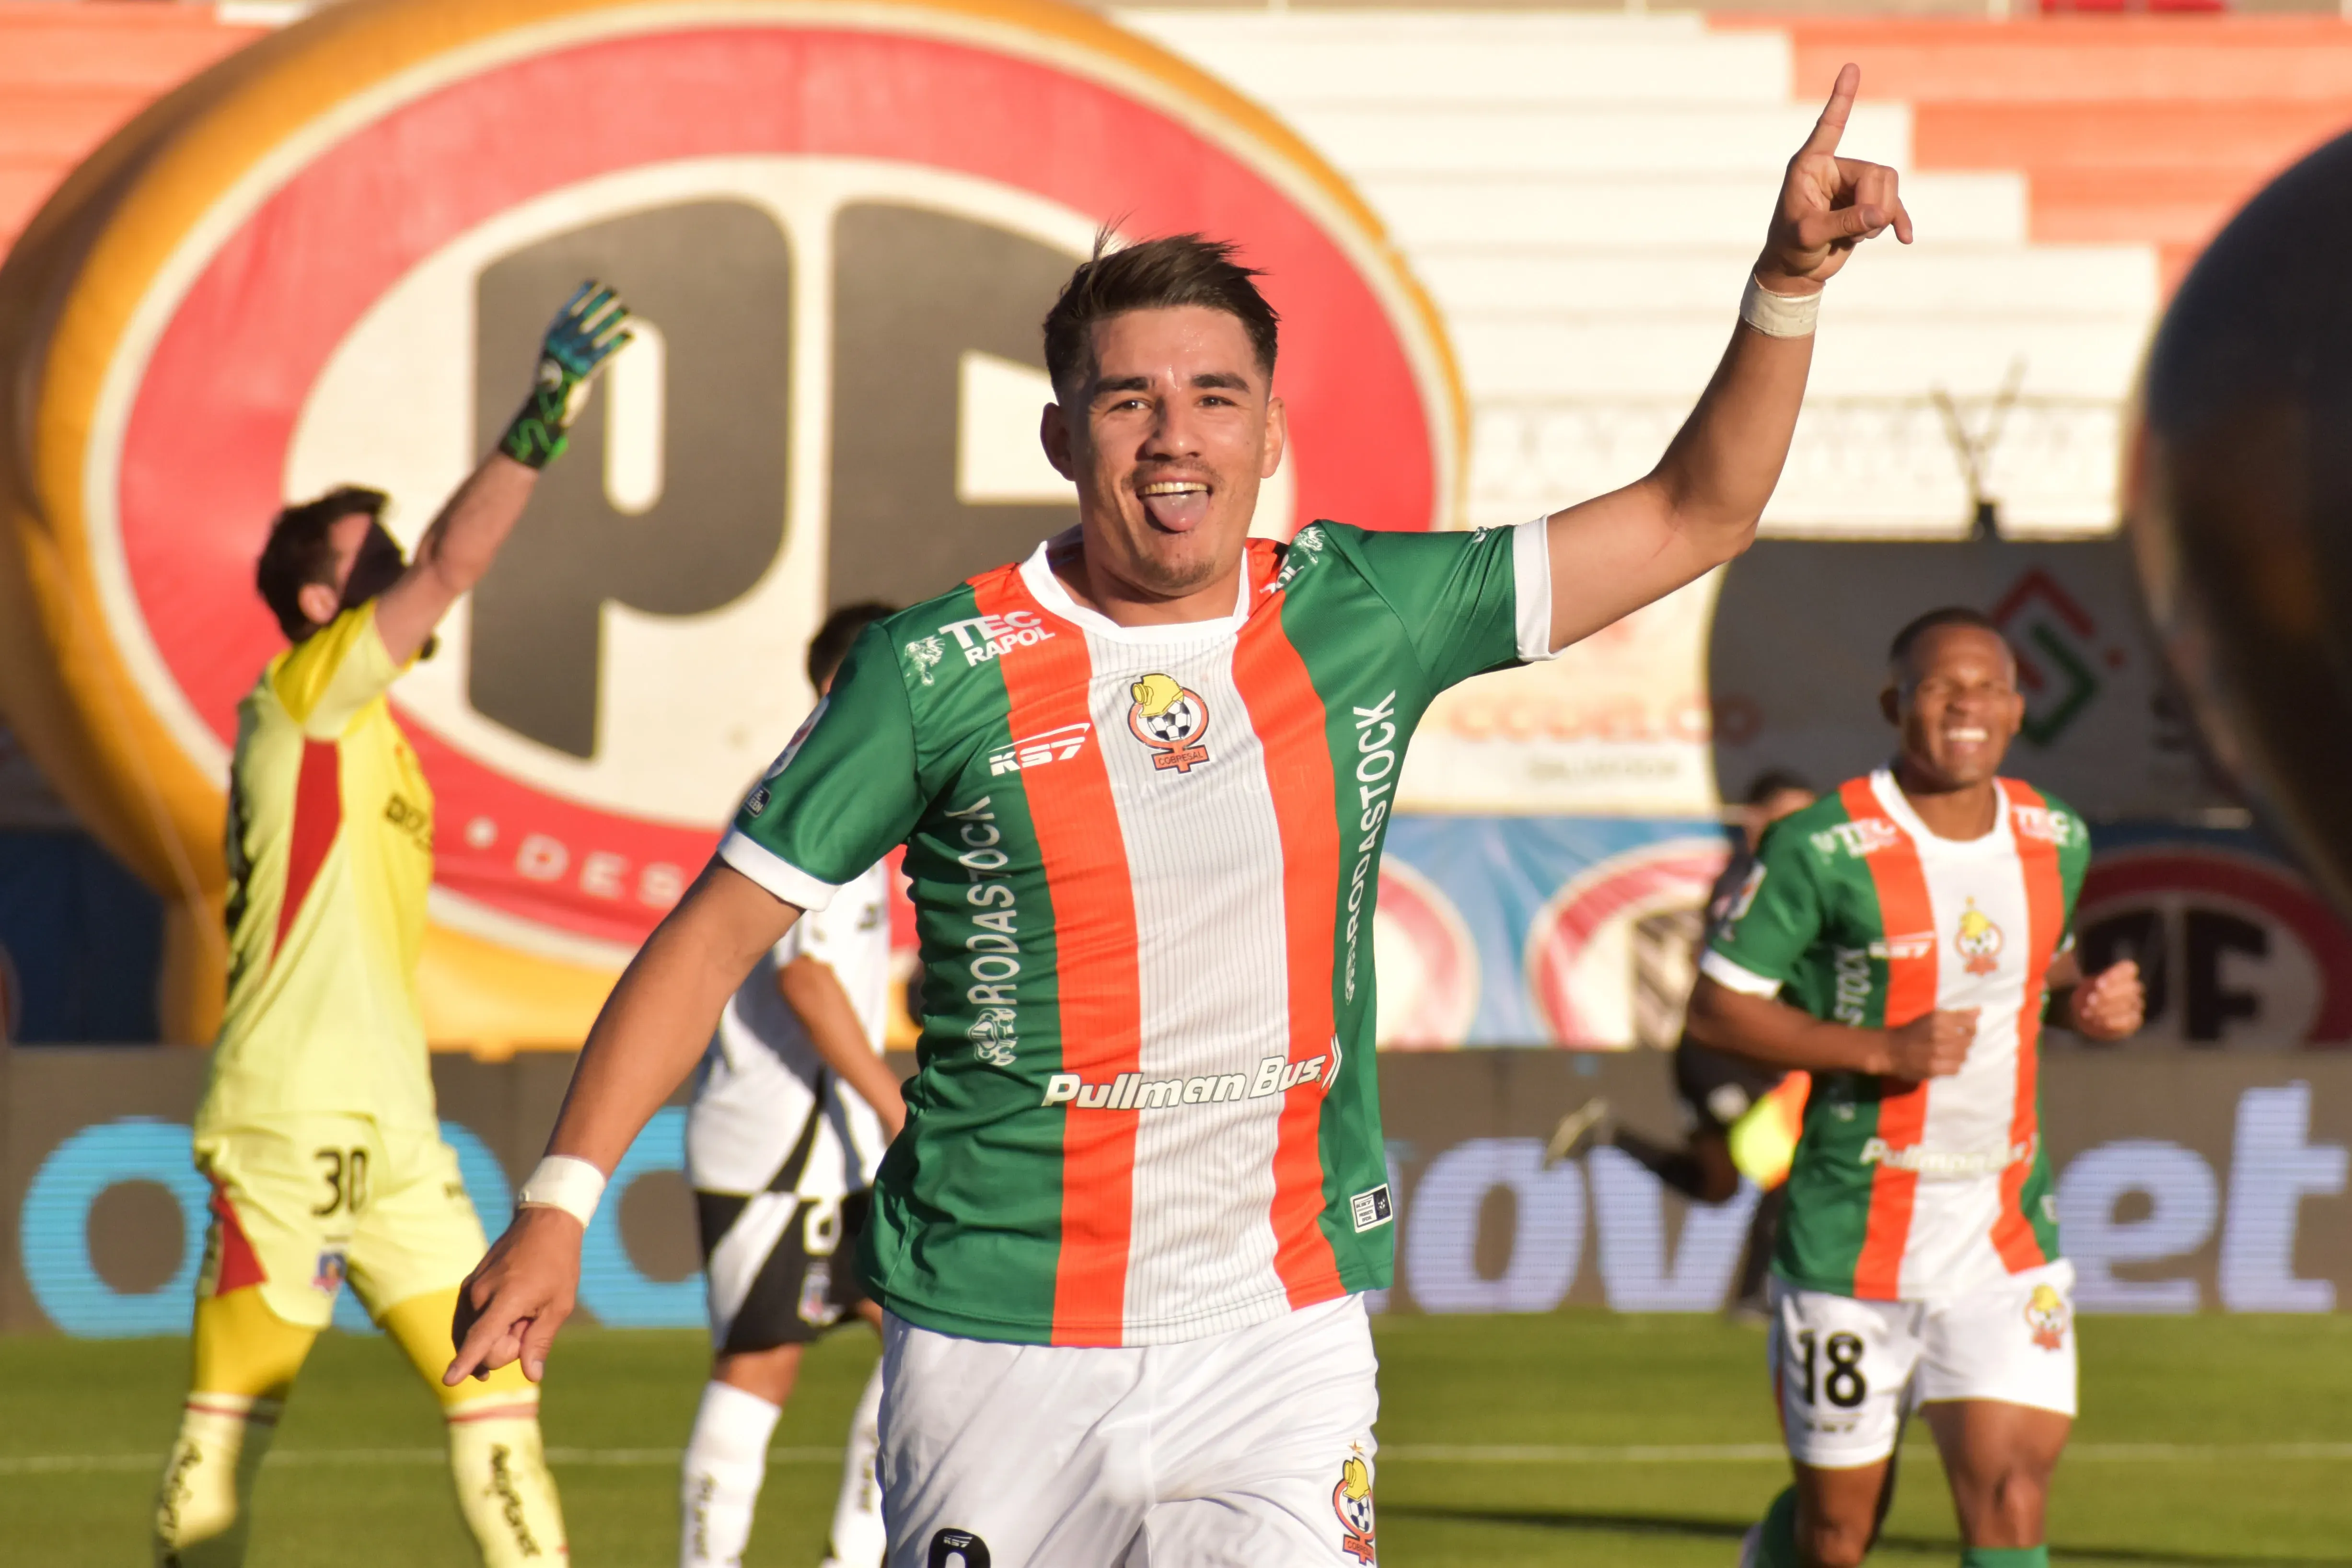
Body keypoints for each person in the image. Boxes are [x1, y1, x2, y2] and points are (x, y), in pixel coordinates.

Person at [450, 67, 1912, 1567]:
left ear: (1269, 432)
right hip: (996, 1337)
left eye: (1215, 396)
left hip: (1276, 1334)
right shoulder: (934, 671)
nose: (1173, 435)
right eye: (1128, 396)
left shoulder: (1362, 614)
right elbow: (707, 942)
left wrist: (1788, 281)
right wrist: (560, 1203)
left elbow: (1693, 514)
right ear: (1059, 434)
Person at [153, 283, 631, 1567]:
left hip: (398, 1132)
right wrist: (540, 420)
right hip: (287, 1115)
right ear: (322, 606)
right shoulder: (305, 696)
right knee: (235, 1416)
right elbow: (452, 566)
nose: (400, 571)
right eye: (368, 563)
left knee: (499, 1385)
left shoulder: (372, 737)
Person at [1685, 607, 2146, 1568]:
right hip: (1850, 1235)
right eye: (1940, 686)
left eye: (1986, 687)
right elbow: (1716, 1011)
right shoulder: (1818, 846)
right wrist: (1876, 1051)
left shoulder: (2050, 835)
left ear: (2016, 711)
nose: (1964, 706)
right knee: (1839, 1532)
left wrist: (2089, 1006)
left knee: (2010, 1493)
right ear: (1896, 705)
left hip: (2001, 1230)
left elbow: (2039, 980)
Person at [681, 602, 908, 1568]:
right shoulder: (810, 788)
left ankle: (854, 1557)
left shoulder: (861, 788)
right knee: (760, 1366)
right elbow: (805, 981)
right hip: (776, 1142)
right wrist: (895, 1100)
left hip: (839, 1140)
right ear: (842, 684)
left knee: (920, 1341)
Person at [1544, 769, 1818, 1317]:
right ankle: (1751, 1299)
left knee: (1715, 1185)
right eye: (1791, 816)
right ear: (1754, 823)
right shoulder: (1752, 883)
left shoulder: (1775, 880)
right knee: (1787, 1164)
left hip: (1730, 1050)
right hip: (1725, 1050)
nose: (1806, 830)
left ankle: (1609, 1133)